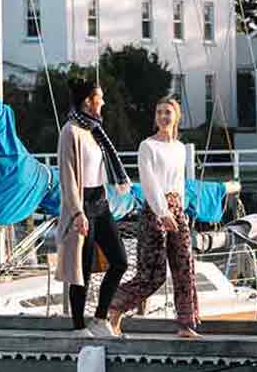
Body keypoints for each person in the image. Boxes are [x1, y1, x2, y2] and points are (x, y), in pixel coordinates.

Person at [108, 96, 202, 338]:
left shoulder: (180, 148)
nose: (163, 116)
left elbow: (179, 182)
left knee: (184, 268)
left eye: (167, 112)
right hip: (155, 211)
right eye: (159, 112)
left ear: (176, 116)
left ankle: (186, 324)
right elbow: (149, 183)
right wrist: (162, 212)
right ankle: (114, 306)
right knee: (153, 273)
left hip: (177, 208)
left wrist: (180, 211)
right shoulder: (147, 146)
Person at [56, 76, 132, 337]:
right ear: (88, 101)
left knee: (120, 261)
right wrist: (77, 212)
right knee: (82, 269)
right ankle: (78, 326)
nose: (104, 101)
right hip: (82, 206)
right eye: (100, 97)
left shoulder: (95, 129)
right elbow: (66, 175)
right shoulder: (71, 131)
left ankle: (100, 318)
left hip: (101, 203)